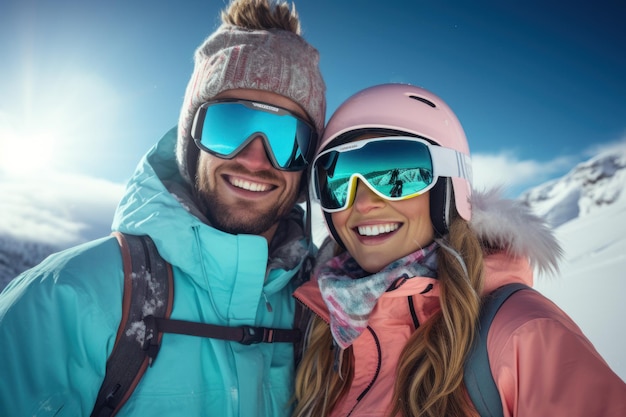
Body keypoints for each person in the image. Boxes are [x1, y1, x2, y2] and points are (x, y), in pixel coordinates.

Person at [0, 0, 325, 416]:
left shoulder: (320, 315)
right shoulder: (71, 301)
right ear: (191, 142)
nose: (256, 159)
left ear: (307, 165)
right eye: (230, 126)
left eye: (288, 139)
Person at [292, 83, 626, 417]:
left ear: (448, 188)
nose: (363, 203)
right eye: (336, 180)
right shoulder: (325, 335)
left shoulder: (523, 334)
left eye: (395, 174)